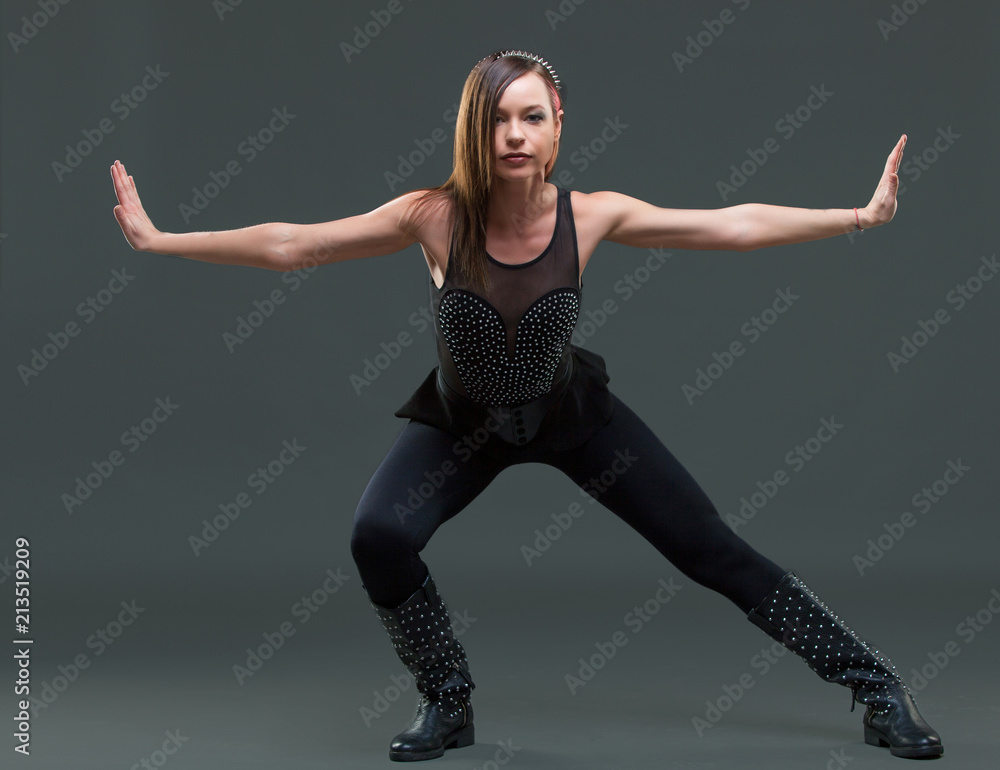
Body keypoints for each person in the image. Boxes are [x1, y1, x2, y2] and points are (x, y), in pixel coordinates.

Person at [111, 49, 942, 763]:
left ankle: (879, 692)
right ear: (477, 129)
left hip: (573, 418)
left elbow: (730, 226)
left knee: (711, 549)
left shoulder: (593, 214)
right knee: (379, 535)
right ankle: (449, 699)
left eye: (532, 117)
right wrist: (162, 239)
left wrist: (858, 217)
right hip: (463, 427)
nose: (515, 134)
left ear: (557, 126)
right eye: (499, 119)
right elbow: (294, 244)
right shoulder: (434, 217)